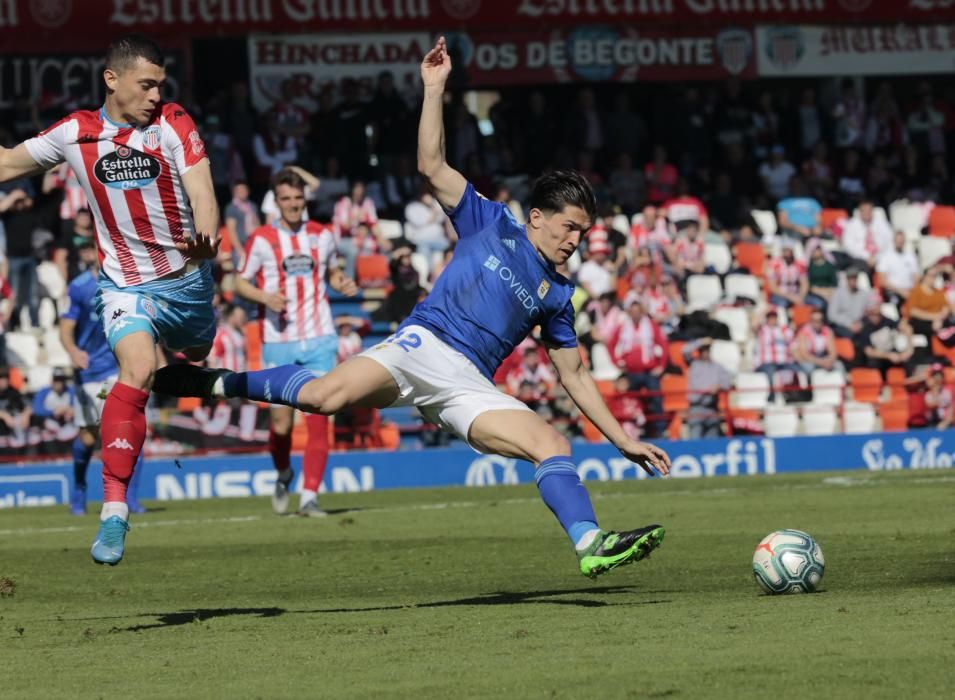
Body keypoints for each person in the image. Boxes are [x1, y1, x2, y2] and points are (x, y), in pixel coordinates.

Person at [154, 36, 671, 580]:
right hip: (421, 345)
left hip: (469, 384)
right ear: (537, 216)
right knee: (323, 398)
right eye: (569, 227)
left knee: (551, 442)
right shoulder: (490, 222)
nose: (575, 240)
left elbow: (576, 376)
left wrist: (623, 440)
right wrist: (434, 88)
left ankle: (591, 543)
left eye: (583, 233)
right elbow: (431, 163)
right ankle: (214, 382)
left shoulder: (560, 295)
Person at [0, 35, 220, 564]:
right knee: (137, 369)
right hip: (123, 284)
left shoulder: (174, 122)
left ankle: (190, 357)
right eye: (145, 85)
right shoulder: (76, 132)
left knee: (197, 350)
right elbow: (7, 164)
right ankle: (114, 511)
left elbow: (203, 192)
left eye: (159, 86)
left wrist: (205, 240)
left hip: (186, 281)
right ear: (112, 79)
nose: (154, 95)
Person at [236, 168, 358, 517]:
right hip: (278, 341)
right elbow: (238, 282)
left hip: (320, 337)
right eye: (286, 199)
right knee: (281, 425)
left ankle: (309, 497)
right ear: (276, 202)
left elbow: (331, 272)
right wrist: (263, 296)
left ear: (305, 200)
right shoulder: (260, 238)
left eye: (297, 198)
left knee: (321, 415)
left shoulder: (322, 235)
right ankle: (284, 472)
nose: (292, 204)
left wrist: (342, 282)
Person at [59, 239, 145, 517]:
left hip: (119, 368)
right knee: (88, 438)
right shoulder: (79, 287)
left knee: (126, 429)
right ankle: (80, 487)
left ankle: (129, 497)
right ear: (87, 254)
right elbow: (66, 326)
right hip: (90, 372)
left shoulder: (126, 282)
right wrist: (73, 350)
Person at [683, 338, 732, 439]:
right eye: (703, 349)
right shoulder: (694, 364)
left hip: (712, 409)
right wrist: (701, 341)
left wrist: (719, 386)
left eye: (707, 349)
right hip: (696, 407)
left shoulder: (717, 367)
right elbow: (685, 350)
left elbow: (728, 382)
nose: (705, 352)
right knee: (694, 442)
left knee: (712, 443)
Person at [792, 309, 841, 378]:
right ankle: (811, 388)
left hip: (820, 357)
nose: (816, 323)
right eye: (813, 320)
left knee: (838, 365)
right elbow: (804, 354)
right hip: (805, 359)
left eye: (819, 320)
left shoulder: (827, 331)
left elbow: (833, 351)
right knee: (810, 368)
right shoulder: (804, 332)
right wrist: (821, 362)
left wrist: (830, 360)